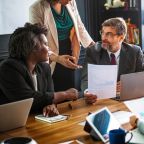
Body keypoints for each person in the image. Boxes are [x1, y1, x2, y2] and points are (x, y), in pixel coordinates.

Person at [0, 23, 79, 116]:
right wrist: (65, 94)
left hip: (36, 122)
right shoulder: (8, 68)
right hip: (11, 124)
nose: (49, 48)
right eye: (45, 44)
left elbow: (49, 96)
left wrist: (50, 105)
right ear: (32, 48)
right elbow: (28, 100)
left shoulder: (44, 67)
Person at [29, 0, 95, 91]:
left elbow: (79, 26)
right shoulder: (36, 8)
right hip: (49, 56)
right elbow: (37, 41)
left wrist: (93, 46)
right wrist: (57, 58)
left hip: (70, 52)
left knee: (72, 90)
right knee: (55, 92)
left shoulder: (71, 2)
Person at [81, 17, 144, 102]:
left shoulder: (135, 52)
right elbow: (86, 80)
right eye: (102, 33)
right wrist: (87, 92)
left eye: (109, 34)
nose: (103, 38)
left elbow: (141, 78)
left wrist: (128, 84)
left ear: (121, 37)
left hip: (128, 100)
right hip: (101, 100)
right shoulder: (93, 51)